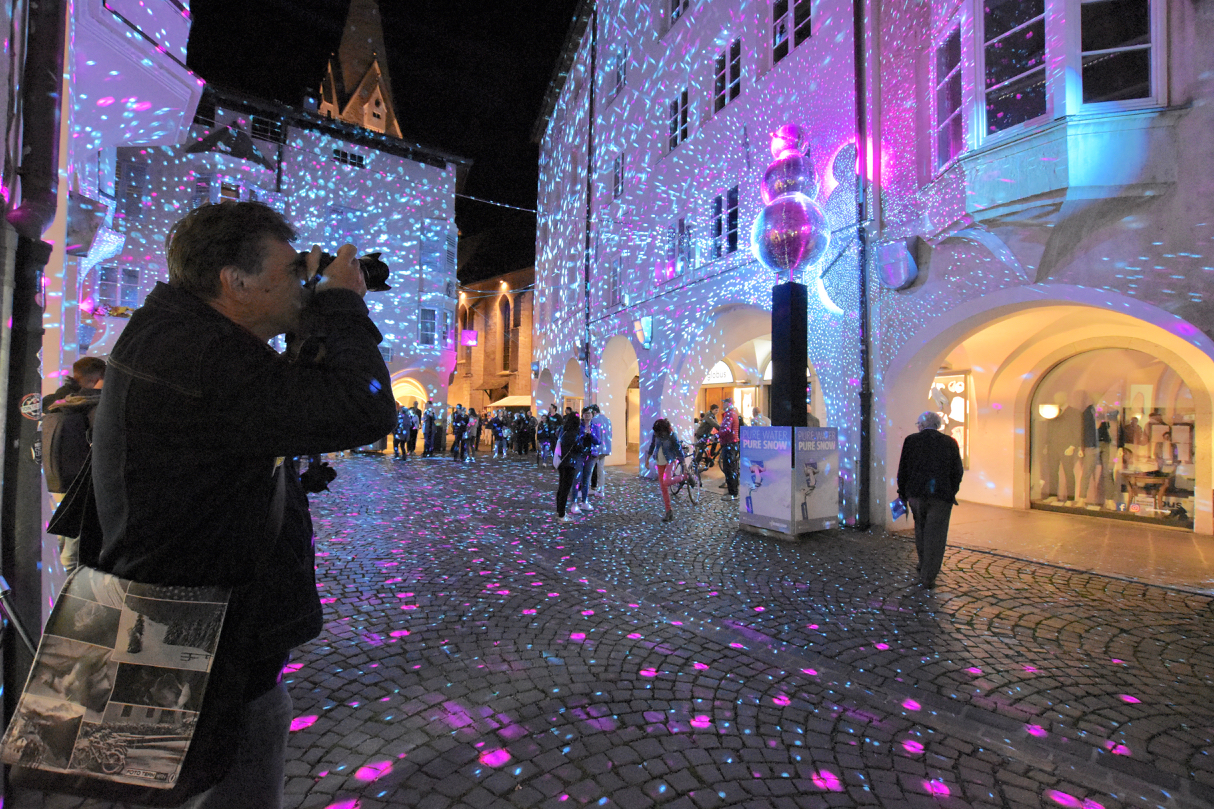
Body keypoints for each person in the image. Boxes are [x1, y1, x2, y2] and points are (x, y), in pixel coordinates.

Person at [91, 201, 397, 806]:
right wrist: (340, 303)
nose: (302, 285)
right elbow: (363, 407)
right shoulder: (201, 356)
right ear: (234, 281)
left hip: (196, 629)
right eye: (290, 271)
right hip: (205, 647)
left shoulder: (182, 337)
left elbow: (279, 408)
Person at [43, 358, 106, 572]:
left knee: (67, 535)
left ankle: (67, 575)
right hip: (82, 482)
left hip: (61, 479)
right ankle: (70, 582)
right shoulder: (93, 405)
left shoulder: (65, 402)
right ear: (97, 379)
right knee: (74, 547)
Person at [895, 411, 965, 589]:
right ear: (938, 425)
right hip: (941, 496)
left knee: (920, 529)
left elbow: (903, 469)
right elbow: (957, 471)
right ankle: (928, 575)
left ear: (921, 425)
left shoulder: (911, 441)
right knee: (936, 535)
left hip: (916, 494)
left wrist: (903, 492)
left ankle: (922, 563)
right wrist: (951, 490)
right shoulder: (950, 442)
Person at [644, 418, 689, 522]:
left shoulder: (672, 435)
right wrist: (647, 459)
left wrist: (684, 465)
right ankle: (669, 511)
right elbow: (652, 445)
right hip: (660, 462)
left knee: (666, 481)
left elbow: (678, 450)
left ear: (663, 430)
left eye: (657, 432)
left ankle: (685, 477)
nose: (656, 434)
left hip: (670, 461)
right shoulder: (656, 434)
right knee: (663, 487)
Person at [554, 412, 583, 521]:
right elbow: (579, 448)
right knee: (565, 489)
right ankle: (562, 514)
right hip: (570, 463)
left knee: (561, 487)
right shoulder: (575, 434)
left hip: (561, 462)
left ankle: (559, 511)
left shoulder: (563, 431)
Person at [571, 407, 600, 513]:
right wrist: (583, 434)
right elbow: (574, 439)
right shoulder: (578, 426)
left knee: (586, 479)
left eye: (589, 413)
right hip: (579, 454)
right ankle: (574, 503)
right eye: (585, 413)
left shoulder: (595, 427)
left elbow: (598, 441)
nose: (587, 415)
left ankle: (584, 501)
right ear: (582, 415)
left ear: (592, 415)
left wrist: (591, 434)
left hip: (591, 455)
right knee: (577, 478)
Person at [718, 398, 740, 500]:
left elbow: (726, 429)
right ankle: (733, 491)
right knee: (732, 468)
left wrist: (717, 435)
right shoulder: (733, 413)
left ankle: (732, 493)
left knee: (729, 469)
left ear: (728, 404)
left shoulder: (729, 414)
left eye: (724, 403)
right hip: (732, 443)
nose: (723, 405)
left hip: (729, 444)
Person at [590, 403, 612, 496]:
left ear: (593, 412)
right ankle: (600, 489)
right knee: (601, 468)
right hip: (605, 448)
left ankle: (589, 488)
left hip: (596, 448)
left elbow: (593, 435)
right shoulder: (607, 420)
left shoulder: (594, 420)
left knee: (590, 468)